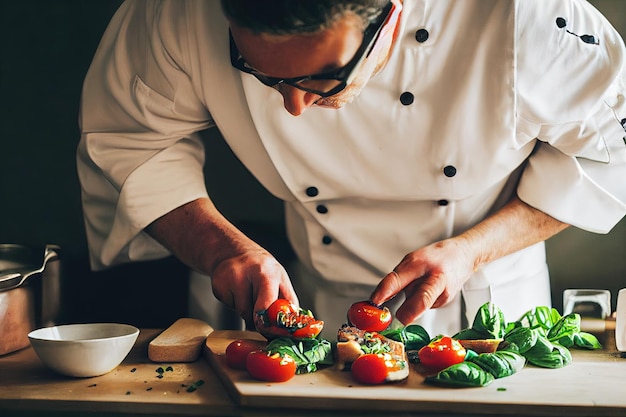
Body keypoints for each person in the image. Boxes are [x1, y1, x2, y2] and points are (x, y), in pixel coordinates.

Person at [77, 0, 626, 338]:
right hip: (315, 298)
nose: (293, 107)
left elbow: (611, 156)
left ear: (392, 16)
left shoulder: (523, 17)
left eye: (323, 78)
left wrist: (470, 250)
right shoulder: (175, 11)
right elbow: (130, 139)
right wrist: (222, 247)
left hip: (488, 311)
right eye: (261, 75)